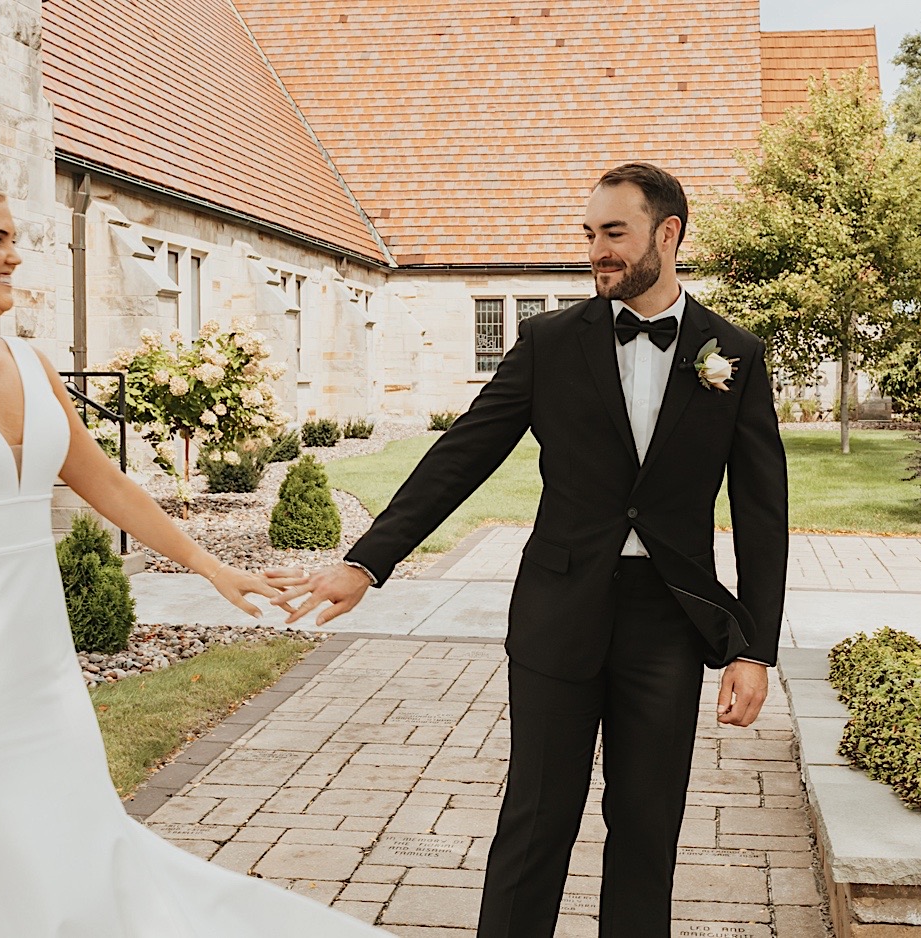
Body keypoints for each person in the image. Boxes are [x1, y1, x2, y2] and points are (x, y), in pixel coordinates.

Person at [0, 170, 386, 937]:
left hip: (37, 653)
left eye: (14, 239)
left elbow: (110, 486)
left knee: (72, 838)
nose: (17, 255)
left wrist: (213, 568)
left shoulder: (31, 364)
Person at [269, 162, 789, 938]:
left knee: (648, 831)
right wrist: (366, 561)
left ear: (668, 234)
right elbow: (462, 456)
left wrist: (755, 648)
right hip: (558, 612)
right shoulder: (548, 342)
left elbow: (761, 512)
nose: (597, 250)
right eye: (590, 234)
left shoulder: (733, 354)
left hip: (668, 625)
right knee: (536, 821)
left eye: (615, 233)